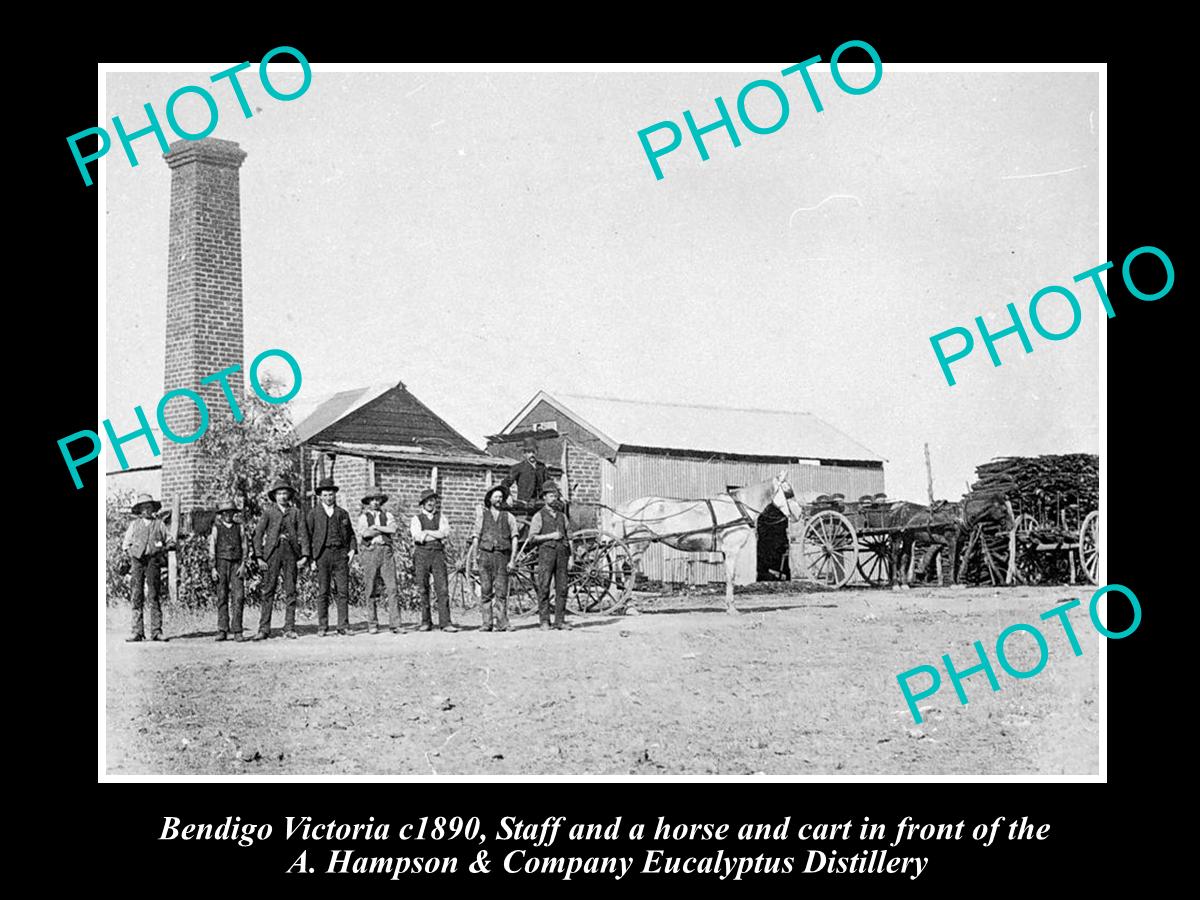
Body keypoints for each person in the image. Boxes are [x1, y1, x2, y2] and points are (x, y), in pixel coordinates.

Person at [251, 479, 310, 641]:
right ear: (274, 496)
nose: (282, 497)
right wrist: (259, 556)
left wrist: (304, 556)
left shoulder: (296, 512)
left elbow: (303, 534)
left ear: (289, 495)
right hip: (272, 554)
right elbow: (258, 535)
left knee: (291, 590)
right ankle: (264, 628)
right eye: (279, 494)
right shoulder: (269, 512)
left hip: (291, 554)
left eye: (285, 493)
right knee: (268, 590)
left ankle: (289, 627)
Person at [307, 477, 356, 637]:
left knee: (343, 591)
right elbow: (307, 537)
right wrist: (311, 559)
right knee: (323, 591)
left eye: (331, 494)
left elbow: (351, 535)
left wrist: (352, 550)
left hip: (340, 555)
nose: (329, 497)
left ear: (335, 495)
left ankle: (343, 625)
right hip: (322, 555)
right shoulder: (314, 513)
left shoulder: (342, 513)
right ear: (320, 496)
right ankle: (323, 626)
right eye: (325, 495)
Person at [468, 485, 519, 632]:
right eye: (496, 497)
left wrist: (512, 559)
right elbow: (476, 538)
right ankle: (487, 623)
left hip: (502, 556)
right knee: (486, 590)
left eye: (501, 497)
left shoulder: (509, 517)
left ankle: (502, 623)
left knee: (501, 591)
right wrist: (475, 559)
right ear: (489, 499)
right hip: (485, 556)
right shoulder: (482, 516)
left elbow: (514, 538)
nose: (499, 499)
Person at [122, 492, 170, 642]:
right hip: (137, 563)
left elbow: (170, 540)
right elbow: (126, 544)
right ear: (139, 510)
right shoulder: (134, 525)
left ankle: (156, 631)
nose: (146, 511)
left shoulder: (159, 524)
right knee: (137, 595)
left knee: (154, 595)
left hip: (153, 562)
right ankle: (137, 631)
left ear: (153, 509)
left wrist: (162, 548)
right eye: (143, 508)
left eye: (149, 507)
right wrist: (132, 554)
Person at [410, 488, 457, 632]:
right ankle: (426, 622)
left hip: (438, 554)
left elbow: (445, 533)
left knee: (442, 588)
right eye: (427, 501)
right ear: (423, 503)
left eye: (433, 500)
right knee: (423, 588)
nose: (431, 503)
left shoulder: (441, 517)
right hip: (422, 554)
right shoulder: (416, 519)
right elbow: (417, 536)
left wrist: (428, 533)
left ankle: (445, 622)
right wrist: (435, 535)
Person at [358, 483, 401, 635]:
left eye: (377, 499)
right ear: (368, 502)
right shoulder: (364, 517)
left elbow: (393, 529)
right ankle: (372, 623)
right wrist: (381, 530)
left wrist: (377, 528)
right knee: (370, 588)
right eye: (372, 500)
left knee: (392, 587)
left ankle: (395, 624)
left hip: (386, 552)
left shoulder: (387, 515)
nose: (375, 502)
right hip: (371, 552)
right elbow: (365, 534)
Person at [529, 481, 572, 631]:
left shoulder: (562, 516)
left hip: (562, 554)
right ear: (545, 498)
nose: (554, 498)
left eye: (555, 496)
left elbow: (569, 537)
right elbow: (532, 537)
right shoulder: (538, 516)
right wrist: (550, 536)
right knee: (544, 587)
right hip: (546, 554)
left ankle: (559, 621)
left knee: (562, 588)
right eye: (551, 496)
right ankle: (544, 621)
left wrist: (571, 556)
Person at [208, 497, 247, 642]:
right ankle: (222, 629)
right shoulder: (216, 528)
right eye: (225, 513)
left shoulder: (240, 527)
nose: (228, 516)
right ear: (221, 514)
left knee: (238, 596)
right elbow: (212, 548)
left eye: (230, 513)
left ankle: (237, 630)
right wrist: (213, 568)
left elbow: (244, 546)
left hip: (237, 564)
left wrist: (243, 564)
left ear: (234, 514)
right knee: (222, 596)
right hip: (221, 564)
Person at [501, 437, 548, 513]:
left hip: (540, 504)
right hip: (524, 505)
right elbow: (505, 483)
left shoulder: (542, 467)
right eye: (529, 452)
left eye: (533, 452)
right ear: (524, 454)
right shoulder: (518, 467)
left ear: (537, 452)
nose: (532, 455)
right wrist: (508, 496)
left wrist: (559, 496)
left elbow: (549, 484)